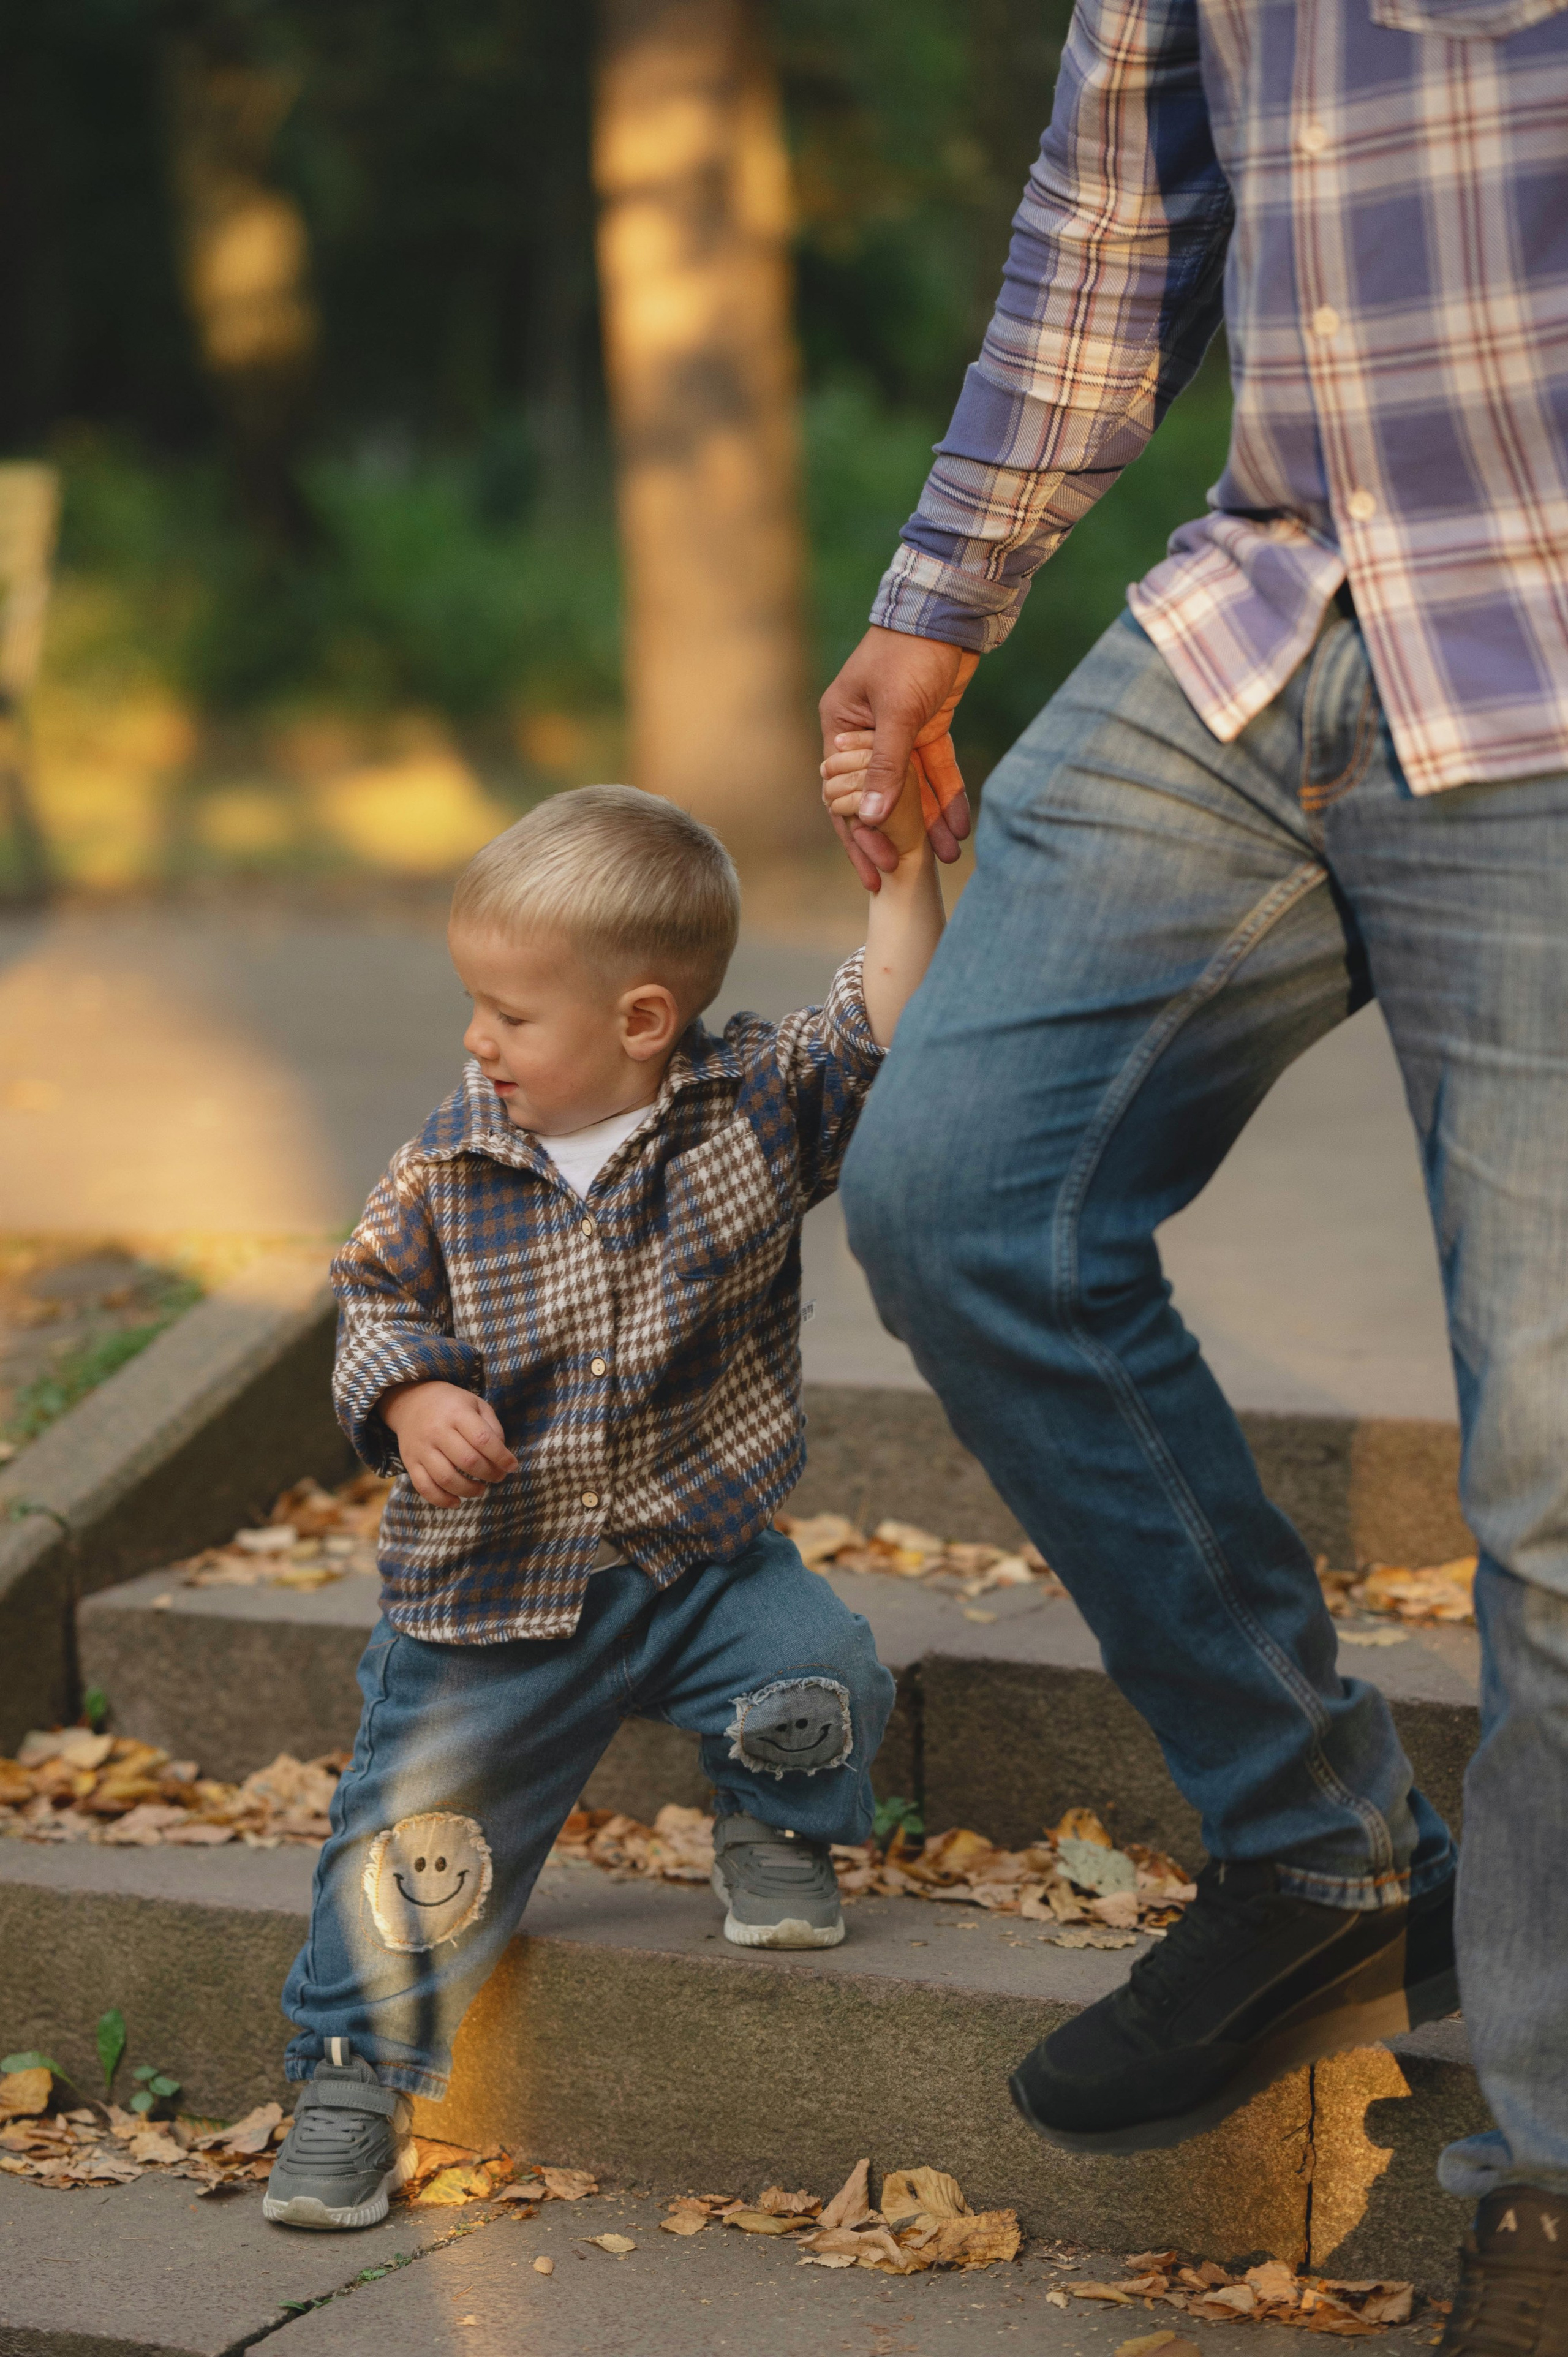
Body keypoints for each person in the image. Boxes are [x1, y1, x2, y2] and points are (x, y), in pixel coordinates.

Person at [818, 0, 1568, 2341]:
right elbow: (1113, 218)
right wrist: (936, 606)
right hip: (1267, 620)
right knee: (957, 1193)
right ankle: (1327, 1836)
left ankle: (1547, 2165)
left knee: (1557, 1486)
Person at [263, 778, 943, 2231]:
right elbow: (370, 1300)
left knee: (817, 1666)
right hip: (496, 1598)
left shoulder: (751, 1108)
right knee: (412, 1846)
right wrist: (411, 1399)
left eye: (510, 1014)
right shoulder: (444, 1167)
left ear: (642, 1019)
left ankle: (770, 1820)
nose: (474, 1040)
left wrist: (895, 877)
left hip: (698, 1556)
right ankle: (349, 2077)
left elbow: (878, 1019)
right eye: (472, 1005)